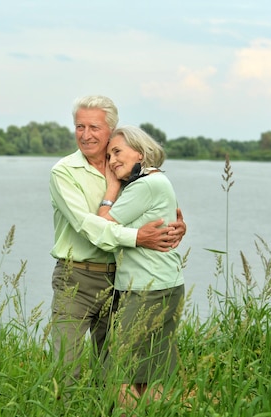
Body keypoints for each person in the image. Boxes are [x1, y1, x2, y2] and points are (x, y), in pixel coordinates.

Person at [48, 95, 186, 385]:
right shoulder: (63, 172)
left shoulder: (128, 171)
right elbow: (89, 226)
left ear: (110, 130)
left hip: (121, 282)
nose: (86, 135)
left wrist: (174, 228)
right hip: (76, 278)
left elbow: (152, 210)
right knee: (66, 365)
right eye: (79, 127)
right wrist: (139, 238)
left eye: (94, 127)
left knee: (115, 367)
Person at [85, 125, 185, 412]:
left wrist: (112, 188)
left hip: (145, 288)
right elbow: (174, 218)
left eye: (117, 152)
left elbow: (103, 225)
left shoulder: (144, 185)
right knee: (149, 371)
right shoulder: (159, 181)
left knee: (119, 370)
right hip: (165, 284)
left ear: (140, 153)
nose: (112, 161)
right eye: (109, 155)